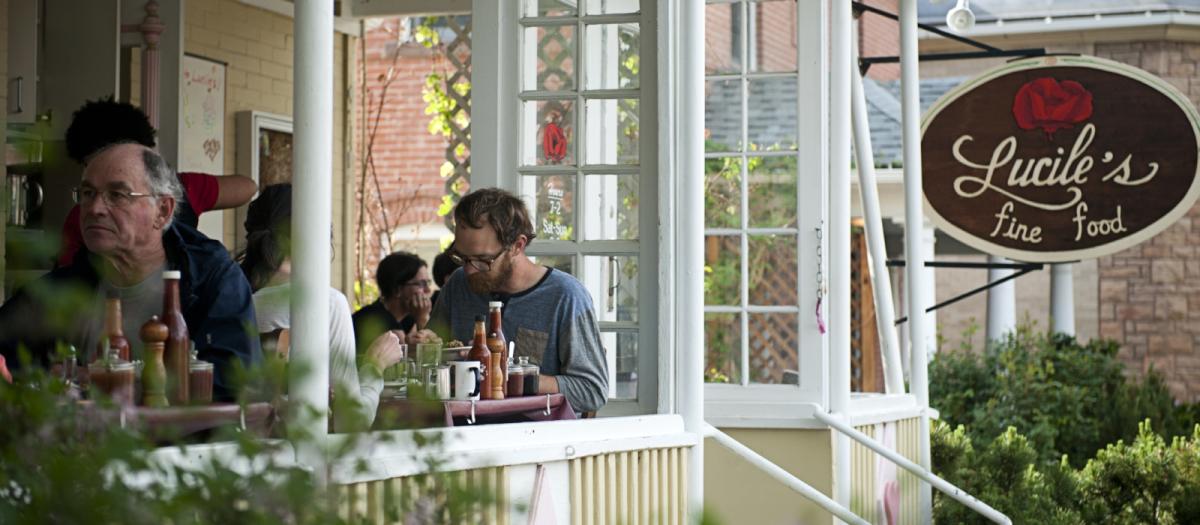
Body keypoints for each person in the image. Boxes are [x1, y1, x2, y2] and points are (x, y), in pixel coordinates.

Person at [0, 143, 262, 400]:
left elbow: (232, 384)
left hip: (179, 441)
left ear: (162, 211)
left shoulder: (211, 280)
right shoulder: (68, 284)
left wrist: (107, 381)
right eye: (87, 193)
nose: (94, 209)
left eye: (117, 195)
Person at [239, 184, 404, 431]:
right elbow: (353, 421)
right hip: (306, 455)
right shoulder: (325, 304)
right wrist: (374, 366)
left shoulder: (236, 301)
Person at [429, 188, 609, 414]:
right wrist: (424, 344)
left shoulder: (565, 297)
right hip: (463, 433)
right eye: (462, 258)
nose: (469, 270)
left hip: (536, 439)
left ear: (517, 245)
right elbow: (433, 356)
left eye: (483, 260)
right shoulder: (458, 284)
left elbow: (592, 391)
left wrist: (516, 377)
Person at [57, 97, 257, 266]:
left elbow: (248, 187)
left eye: (118, 194)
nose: (98, 208)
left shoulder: (182, 189)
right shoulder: (83, 215)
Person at [351, 252, 434, 354]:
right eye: (421, 284)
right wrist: (423, 319)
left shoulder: (407, 318)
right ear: (397, 290)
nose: (428, 290)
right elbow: (428, 357)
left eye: (427, 283)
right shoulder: (378, 319)